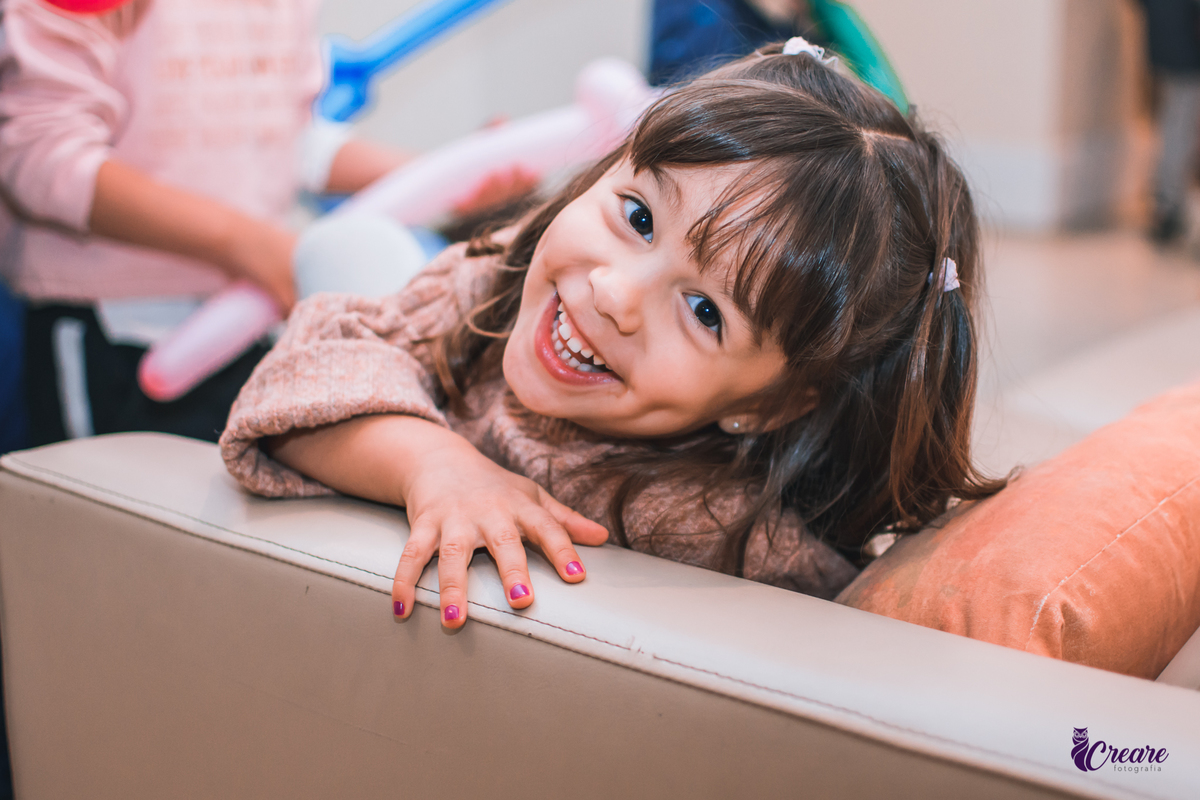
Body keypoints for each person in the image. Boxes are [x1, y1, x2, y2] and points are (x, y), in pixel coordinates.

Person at [221, 37, 1005, 629]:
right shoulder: (490, 283)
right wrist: (434, 464)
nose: (616, 293)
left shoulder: (717, 528)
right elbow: (298, 384)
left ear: (767, 405)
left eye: (704, 311)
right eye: (638, 216)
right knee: (354, 262)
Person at [0, 0, 418, 446]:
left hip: (249, 329)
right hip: (112, 331)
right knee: (108, 489)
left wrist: (435, 172)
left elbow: (289, 140)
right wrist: (248, 244)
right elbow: (42, 157)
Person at [1139, 0, 1200, 245]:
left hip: (1166, 41)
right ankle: (1168, 206)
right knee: (1180, 124)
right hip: (1188, 46)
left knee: (1174, 121)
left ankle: (1167, 205)